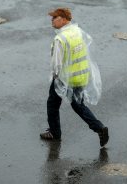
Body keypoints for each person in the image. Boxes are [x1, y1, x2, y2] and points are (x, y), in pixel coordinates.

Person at [40, 8, 109, 147]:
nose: (52, 20)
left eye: (55, 17)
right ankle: (99, 127)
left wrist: (55, 78)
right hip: (80, 76)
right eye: (52, 18)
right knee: (78, 105)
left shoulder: (60, 38)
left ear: (65, 19)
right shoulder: (77, 31)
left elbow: (57, 64)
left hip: (66, 78)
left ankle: (55, 133)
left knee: (52, 103)